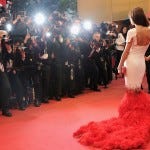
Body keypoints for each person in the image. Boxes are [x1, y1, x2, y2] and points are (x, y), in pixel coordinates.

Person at [73, 7, 150, 149]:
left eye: (130, 17)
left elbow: (126, 52)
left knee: (131, 91)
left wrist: (119, 67)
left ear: (134, 17)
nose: (130, 19)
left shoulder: (133, 31)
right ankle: (137, 118)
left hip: (131, 63)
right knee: (137, 90)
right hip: (141, 64)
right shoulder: (149, 30)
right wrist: (147, 57)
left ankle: (132, 120)